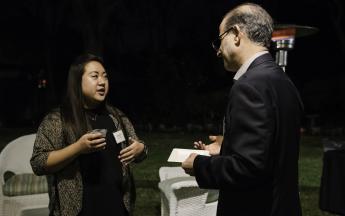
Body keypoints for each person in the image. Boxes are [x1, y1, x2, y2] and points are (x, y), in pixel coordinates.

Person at [182, 3, 303, 216]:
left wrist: (199, 165)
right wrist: (229, 145)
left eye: (220, 40)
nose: (218, 51)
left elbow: (248, 168)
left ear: (236, 34)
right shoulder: (283, 81)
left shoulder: (250, 85)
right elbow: (272, 149)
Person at [30, 53, 148, 216]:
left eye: (105, 77)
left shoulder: (116, 116)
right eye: (95, 76)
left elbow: (140, 150)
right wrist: (78, 148)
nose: (102, 82)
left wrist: (140, 149)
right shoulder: (58, 119)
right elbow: (38, 163)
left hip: (117, 206)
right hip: (78, 210)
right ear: (78, 81)